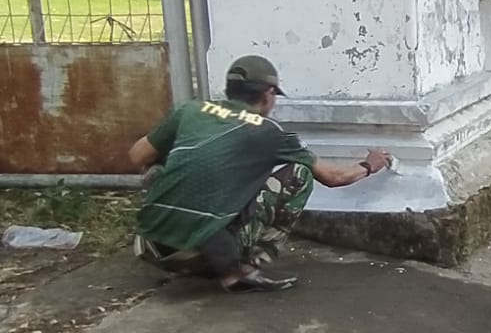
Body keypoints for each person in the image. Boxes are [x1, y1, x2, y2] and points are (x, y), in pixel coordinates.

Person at [129, 55, 391, 292]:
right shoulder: (271, 132)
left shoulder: (190, 110)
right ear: (268, 94)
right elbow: (334, 177)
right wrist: (370, 164)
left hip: (152, 245)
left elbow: (137, 155)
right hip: (201, 254)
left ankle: (192, 242)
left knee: (160, 164)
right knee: (299, 173)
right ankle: (239, 267)